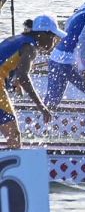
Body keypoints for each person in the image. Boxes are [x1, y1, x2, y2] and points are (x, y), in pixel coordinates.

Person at [0, 15, 65, 149]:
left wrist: (16, 82)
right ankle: (15, 169)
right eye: (53, 37)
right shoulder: (30, 48)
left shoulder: (19, 39)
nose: (54, 41)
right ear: (41, 34)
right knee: (14, 137)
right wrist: (42, 107)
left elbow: (12, 66)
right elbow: (24, 77)